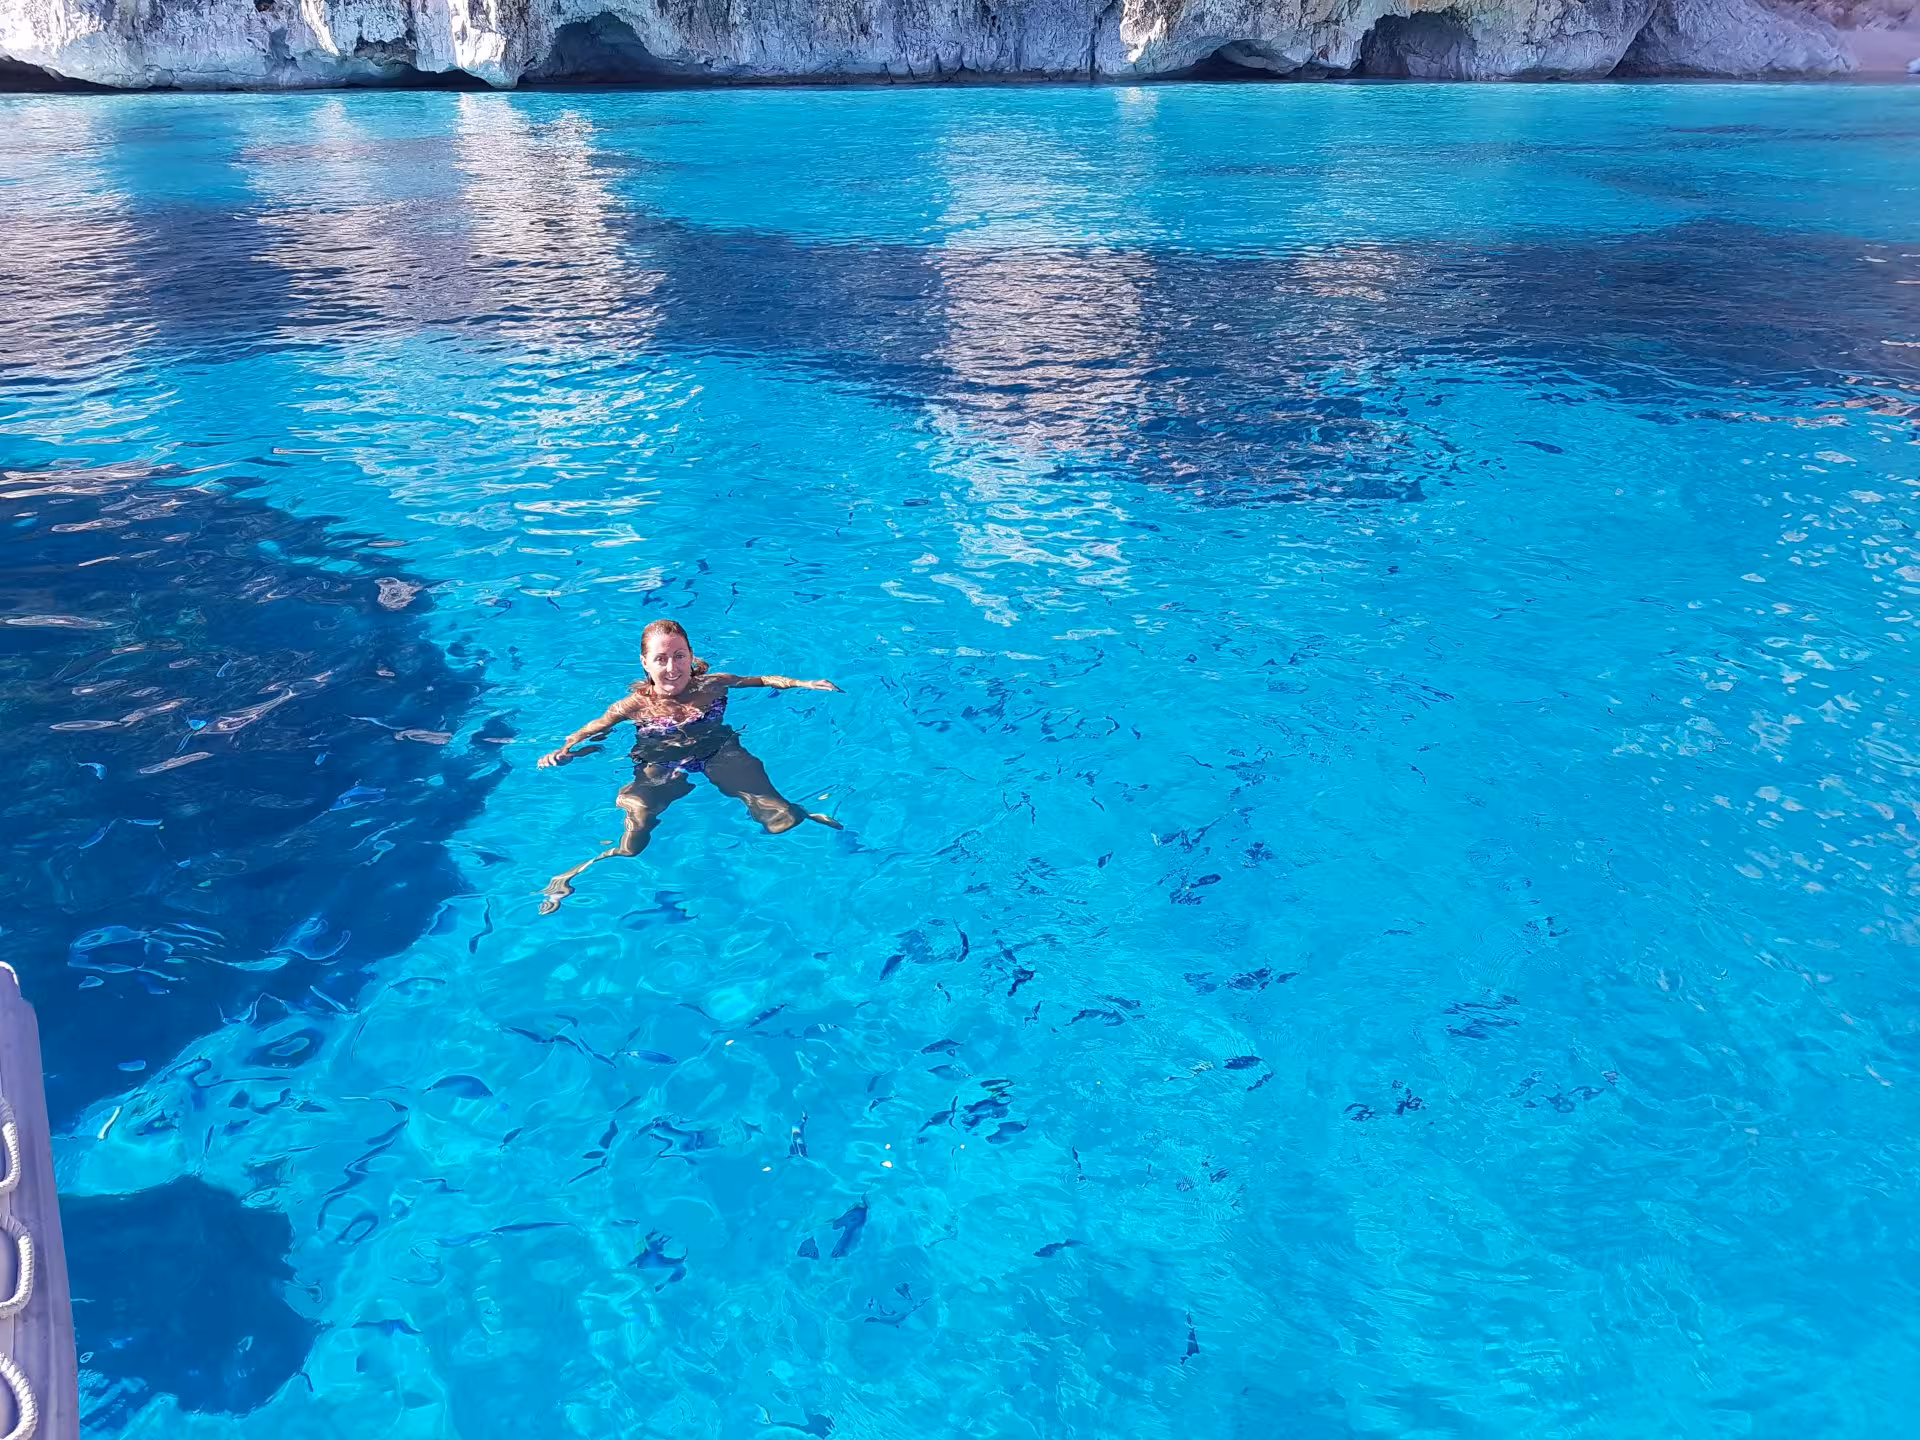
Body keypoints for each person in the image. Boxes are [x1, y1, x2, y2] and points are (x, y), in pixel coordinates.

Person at [535, 619, 842, 913]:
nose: (671, 668)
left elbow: (760, 679)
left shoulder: (714, 684)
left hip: (718, 751)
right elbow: (593, 730)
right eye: (661, 659)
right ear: (645, 662)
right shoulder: (633, 705)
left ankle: (799, 811)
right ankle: (572, 874)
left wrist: (804, 683)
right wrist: (566, 751)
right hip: (659, 763)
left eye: (679, 656)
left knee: (782, 819)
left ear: (691, 656)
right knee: (634, 839)